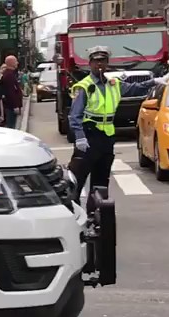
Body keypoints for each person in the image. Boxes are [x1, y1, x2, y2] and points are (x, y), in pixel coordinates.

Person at [68, 46, 161, 202]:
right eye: (96, 61)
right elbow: (75, 116)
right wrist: (80, 138)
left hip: (107, 136)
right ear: (90, 64)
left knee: (102, 179)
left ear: (107, 63)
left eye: (103, 61)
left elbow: (134, 89)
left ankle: (96, 214)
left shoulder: (113, 83)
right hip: (89, 136)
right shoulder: (84, 86)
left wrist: (155, 81)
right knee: (78, 177)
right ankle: (73, 210)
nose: (99, 65)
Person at [0, 55, 25, 129]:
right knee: (11, 126)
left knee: (12, 124)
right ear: (11, 63)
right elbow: (11, 91)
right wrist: (15, 106)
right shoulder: (9, 75)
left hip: (10, 106)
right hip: (10, 107)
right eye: (16, 61)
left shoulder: (9, 74)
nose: (17, 63)